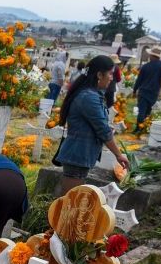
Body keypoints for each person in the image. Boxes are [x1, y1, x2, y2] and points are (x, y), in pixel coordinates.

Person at [53, 54, 130, 194]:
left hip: (82, 154)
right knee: (69, 202)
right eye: (111, 74)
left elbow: (97, 124)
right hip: (77, 154)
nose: (112, 78)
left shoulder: (93, 94)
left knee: (71, 201)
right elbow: (102, 130)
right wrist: (118, 155)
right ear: (100, 75)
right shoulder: (88, 97)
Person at [132, 46, 161, 133]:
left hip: (143, 91)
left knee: (141, 110)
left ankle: (138, 128)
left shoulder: (145, 66)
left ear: (152, 56)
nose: (149, 56)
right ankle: (144, 127)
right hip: (154, 92)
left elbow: (139, 79)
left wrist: (135, 90)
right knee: (148, 110)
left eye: (150, 55)